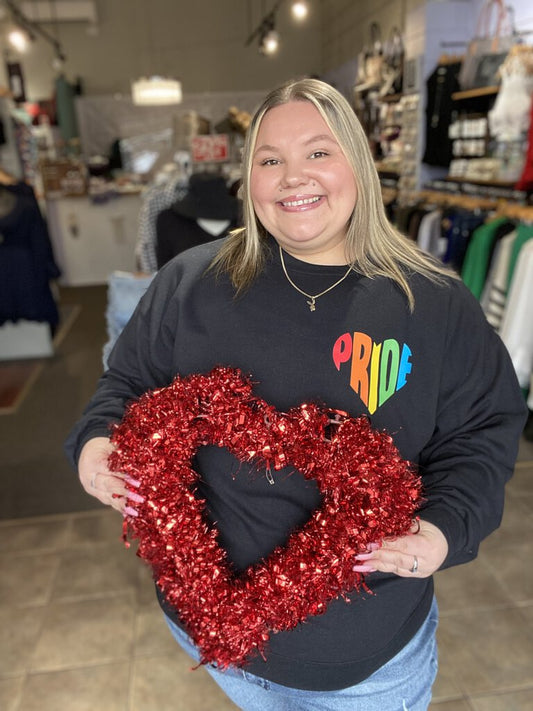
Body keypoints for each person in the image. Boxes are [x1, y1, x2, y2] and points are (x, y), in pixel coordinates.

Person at [65, 78, 527, 711]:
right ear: (247, 181)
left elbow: (483, 432)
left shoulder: (433, 302)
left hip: (367, 669)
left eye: (318, 152)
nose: (291, 177)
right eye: (269, 159)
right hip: (210, 636)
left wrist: (446, 530)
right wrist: (95, 442)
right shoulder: (190, 281)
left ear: (358, 166)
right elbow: (126, 381)